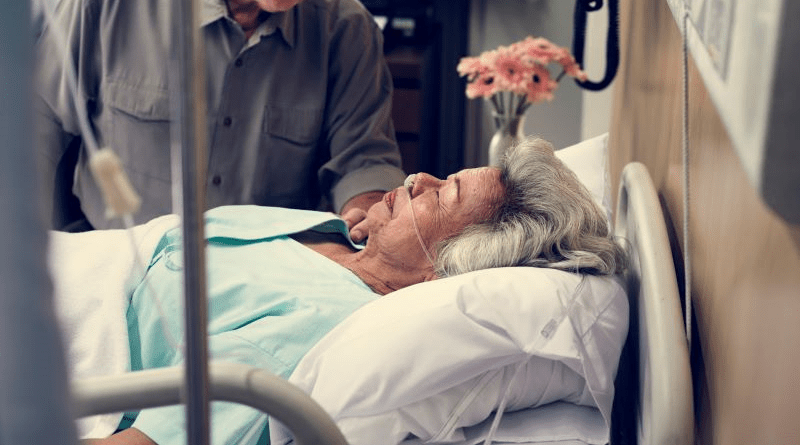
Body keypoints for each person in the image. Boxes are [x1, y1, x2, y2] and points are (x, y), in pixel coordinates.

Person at [79, 137, 627, 445]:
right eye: (443, 175)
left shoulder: (316, 328)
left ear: (448, 266)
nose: (418, 181)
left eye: (440, 196)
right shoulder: (339, 234)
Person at [34, 0, 406, 232]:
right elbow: (34, 131)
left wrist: (369, 210)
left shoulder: (346, 29)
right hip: (118, 268)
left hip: (264, 282)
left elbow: (363, 159)